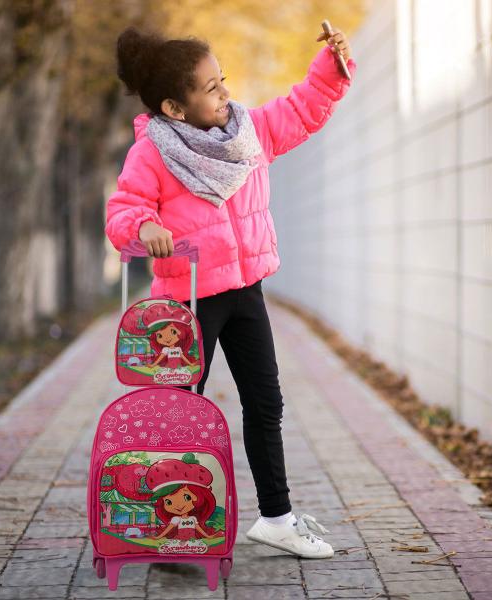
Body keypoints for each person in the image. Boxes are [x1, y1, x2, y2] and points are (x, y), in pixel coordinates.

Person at [105, 23, 355, 559]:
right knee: (181, 415)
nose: (225, 93)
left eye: (223, 80)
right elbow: (124, 209)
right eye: (212, 88)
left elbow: (301, 109)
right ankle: (165, 528)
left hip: (246, 293)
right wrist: (143, 228)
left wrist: (330, 68)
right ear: (175, 107)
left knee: (265, 403)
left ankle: (277, 518)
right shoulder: (153, 152)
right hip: (185, 303)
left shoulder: (247, 131)